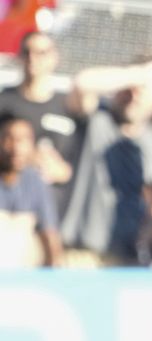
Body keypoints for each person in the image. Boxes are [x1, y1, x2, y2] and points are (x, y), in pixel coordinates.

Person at [60, 78, 152, 266]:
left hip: (126, 254)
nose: (133, 98)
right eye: (127, 92)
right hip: (82, 248)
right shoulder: (95, 123)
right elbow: (82, 84)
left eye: (140, 94)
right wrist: (137, 74)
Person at [0, 31, 83, 212]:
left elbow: (81, 159)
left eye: (41, 53)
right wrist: (26, 157)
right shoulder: (5, 101)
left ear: (55, 58)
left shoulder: (67, 105)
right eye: (27, 52)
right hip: (10, 210)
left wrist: (65, 171)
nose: (32, 59)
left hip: (54, 210)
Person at [0, 115, 62, 267]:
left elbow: (50, 236)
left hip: (24, 279)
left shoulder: (35, 181)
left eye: (24, 140)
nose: (17, 147)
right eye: (9, 138)